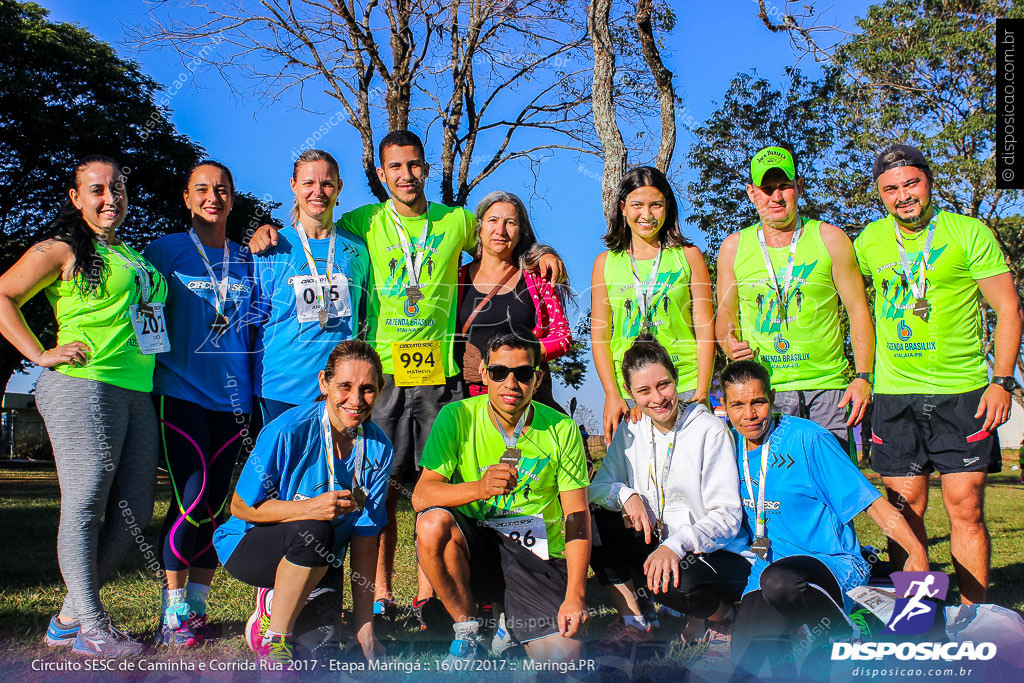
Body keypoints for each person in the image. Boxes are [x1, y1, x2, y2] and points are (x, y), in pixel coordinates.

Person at [248, 131, 564, 623]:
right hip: (385, 377)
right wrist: (267, 229)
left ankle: (428, 595)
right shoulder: (363, 221)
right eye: (395, 167)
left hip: (440, 377)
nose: (406, 175)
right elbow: (312, 219)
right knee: (382, 488)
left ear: (426, 168)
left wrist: (538, 252)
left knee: (433, 482)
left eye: (414, 166)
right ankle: (378, 593)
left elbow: (499, 235)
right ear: (380, 175)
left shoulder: (454, 220)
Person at [0, 155, 168, 656]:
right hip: (82, 384)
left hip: (137, 389)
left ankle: (70, 616)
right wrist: (38, 353)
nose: (109, 198)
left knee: (136, 509)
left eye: (116, 188)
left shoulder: (134, 255)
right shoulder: (61, 248)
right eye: (96, 190)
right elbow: (4, 294)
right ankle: (91, 628)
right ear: (76, 198)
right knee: (87, 499)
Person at [854, 144, 1023, 605]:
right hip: (894, 395)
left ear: (928, 182)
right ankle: (917, 616)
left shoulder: (968, 233)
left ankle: (972, 616)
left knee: (965, 509)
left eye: (911, 183)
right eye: (891, 189)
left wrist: (1002, 379)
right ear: (880, 195)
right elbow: (853, 308)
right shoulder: (868, 242)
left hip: (962, 392)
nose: (903, 195)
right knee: (904, 512)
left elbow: (1008, 307)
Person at [721, 360, 929, 677]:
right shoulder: (728, 447)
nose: (749, 415)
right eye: (737, 405)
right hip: (766, 571)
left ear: (772, 398)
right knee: (744, 668)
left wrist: (914, 550)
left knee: (781, 582)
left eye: (757, 402)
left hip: (831, 562)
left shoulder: (808, 439)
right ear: (724, 405)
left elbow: (869, 502)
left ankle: (848, 634)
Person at [412, 330, 590, 662]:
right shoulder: (457, 416)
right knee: (432, 523)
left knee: (565, 660)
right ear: (484, 373)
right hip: (477, 545)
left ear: (537, 379)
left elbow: (577, 517)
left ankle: (508, 621)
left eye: (523, 373)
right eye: (499, 372)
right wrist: (479, 488)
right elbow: (422, 496)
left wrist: (576, 596)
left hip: (532, 551)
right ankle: (468, 630)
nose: (511, 383)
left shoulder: (561, 429)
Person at [212, 340, 392, 667]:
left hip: (322, 559)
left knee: (319, 660)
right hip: (250, 545)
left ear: (380, 389)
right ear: (324, 382)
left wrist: (365, 629)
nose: (356, 400)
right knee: (315, 528)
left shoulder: (379, 448)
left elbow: (365, 542)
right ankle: (274, 638)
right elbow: (240, 507)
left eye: (367, 389)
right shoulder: (288, 429)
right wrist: (308, 508)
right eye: (345, 387)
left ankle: (289, 599)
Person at [143, 161, 255, 646]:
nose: (213, 197)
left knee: (213, 504)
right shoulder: (164, 251)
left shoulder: (248, 258)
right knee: (192, 497)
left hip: (236, 402)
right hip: (179, 392)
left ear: (233, 198)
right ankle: (172, 610)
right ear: (187, 198)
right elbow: (141, 319)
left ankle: (200, 607)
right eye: (202, 190)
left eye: (222, 189)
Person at [589, 336, 749, 651]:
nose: (657, 398)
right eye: (643, 391)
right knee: (594, 523)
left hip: (712, 551)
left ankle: (725, 616)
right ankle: (638, 621)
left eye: (664, 385)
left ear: (676, 379)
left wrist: (675, 547)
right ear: (630, 393)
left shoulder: (709, 429)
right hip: (660, 542)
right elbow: (598, 488)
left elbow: (728, 516)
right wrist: (625, 495)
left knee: (677, 583)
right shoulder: (630, 429)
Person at [716, 146, 874, 456]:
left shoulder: (830, 238)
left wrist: (863, 376)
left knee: (833, 492)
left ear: (798, 187)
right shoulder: (734, 247)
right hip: (765, 391)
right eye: (766, 188)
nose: (776, 197)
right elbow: (724, 317)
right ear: (751, 192)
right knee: (774, 492)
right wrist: (728, 343)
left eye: (784, 186)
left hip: (827, 389)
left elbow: (858, 311)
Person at [591, 166, 714, 444]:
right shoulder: (605, 263)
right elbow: (600, 337)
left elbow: (706, 328)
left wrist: (703, 389)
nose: (646, 215)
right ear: (622, 207)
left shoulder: (689, 256)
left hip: (684, 385)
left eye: (656, 205)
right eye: (637, 205)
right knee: (638, 479)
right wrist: (612, 393)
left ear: (667, 207)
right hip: (631, 390)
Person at [252, 149, 370, 424]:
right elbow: (251, 325)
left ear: (339, 187)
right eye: (308, 183)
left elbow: (363, 320)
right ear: (293, 186)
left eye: (327, 183)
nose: (318, 191)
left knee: (332, 468)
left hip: (339, 394)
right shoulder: (270, 248)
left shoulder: (357, 249)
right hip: (279, 392)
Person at [456, 190, 572, 410]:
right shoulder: (457, 279)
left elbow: (562, 337)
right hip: (470, 401)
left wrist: (518, 357)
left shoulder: (537, 279)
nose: (500, 230)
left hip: (526, 396)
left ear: (521, 232)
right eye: (493, 220)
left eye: (510, 223)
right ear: (479, 227)